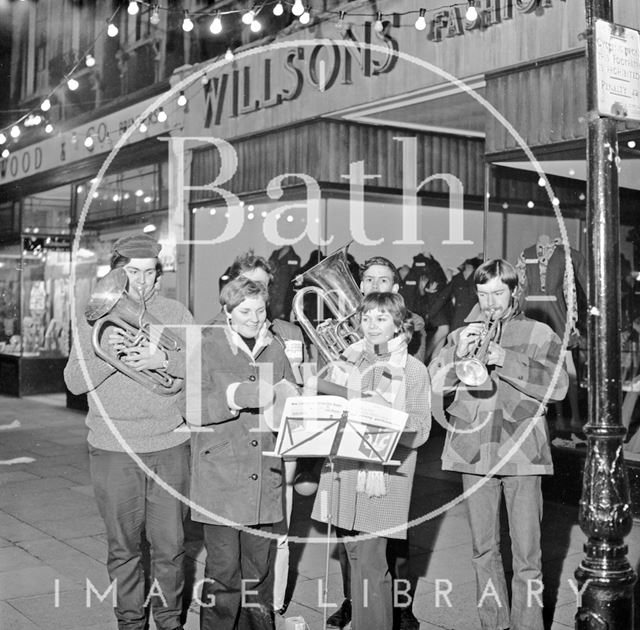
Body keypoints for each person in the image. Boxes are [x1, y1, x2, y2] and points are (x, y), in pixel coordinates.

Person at [429, 258, 568, 630]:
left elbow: (559, 387)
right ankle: (494, 624)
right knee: (482, 550)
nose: (490, 302)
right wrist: (455, 356)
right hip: (473, 451)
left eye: (498, 293)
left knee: (527, 554)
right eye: (483, 293)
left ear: (513, 291)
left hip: (522, 452)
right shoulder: (462, 333)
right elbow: (433, 382)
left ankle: (529, 625)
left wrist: (504, 357)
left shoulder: (540, 333)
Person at [64, 234, 193, 630]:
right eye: (132, 272)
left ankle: (169, 620)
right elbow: (73, 382)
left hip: (170, 444)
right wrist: (110, 357)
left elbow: (203, 373)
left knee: (171, 547)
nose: (141, 282)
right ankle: (130, 621)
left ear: (159, 276)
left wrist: (166, 359)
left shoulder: (177, 313)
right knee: (124, 548)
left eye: (149, 273)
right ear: (116, 273)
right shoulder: (93, 317)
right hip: (112, 448)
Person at [311, 292, 431, 630]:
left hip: (384, 479)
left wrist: (388, 418)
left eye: (381, 318)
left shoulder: (412, 369)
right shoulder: (351, 361)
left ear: (398, 324)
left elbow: (421, 429)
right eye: (366, 318)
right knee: (354, 557)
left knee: (370, 564)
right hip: (347, 472)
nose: (372, 325)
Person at [188, 276, 298, 630]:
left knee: (259, 572)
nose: (253, 317)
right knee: (223, 573)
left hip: (266, 477)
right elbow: (189, 407)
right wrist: (234, 397)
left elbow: (287, 402)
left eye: (260, 309)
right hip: (221, 477)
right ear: (228, 312)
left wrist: (293, 401)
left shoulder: (276, 348)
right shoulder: (206, 345)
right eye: (245, 310)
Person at [222, 250, 309, 614]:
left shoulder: (287, 331)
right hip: (233, 450)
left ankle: (271, 609)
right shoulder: (217, 328)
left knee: (280, 530)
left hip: (276, 444)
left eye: (263, 286)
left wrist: (301, 375)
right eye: (250, 285)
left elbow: (301, 389)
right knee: (232, 542)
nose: (257, 293)